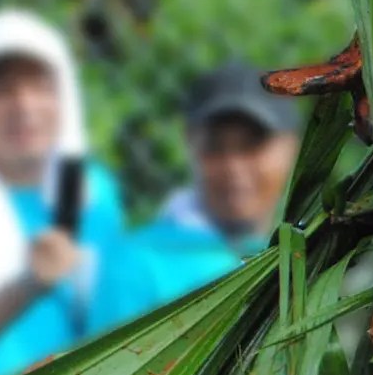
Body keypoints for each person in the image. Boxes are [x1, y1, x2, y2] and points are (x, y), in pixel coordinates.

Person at [91, 63, 301, 330]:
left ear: (291, 146)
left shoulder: (303, 250)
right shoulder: (138, 265)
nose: (234, 167)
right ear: (190, 144)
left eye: (251, 145)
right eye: (215, 147)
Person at [0, 10, 125, 375]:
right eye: (2, 89)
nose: (23, 106)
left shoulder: (93, 194)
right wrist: (30, 284)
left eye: (39, 86)